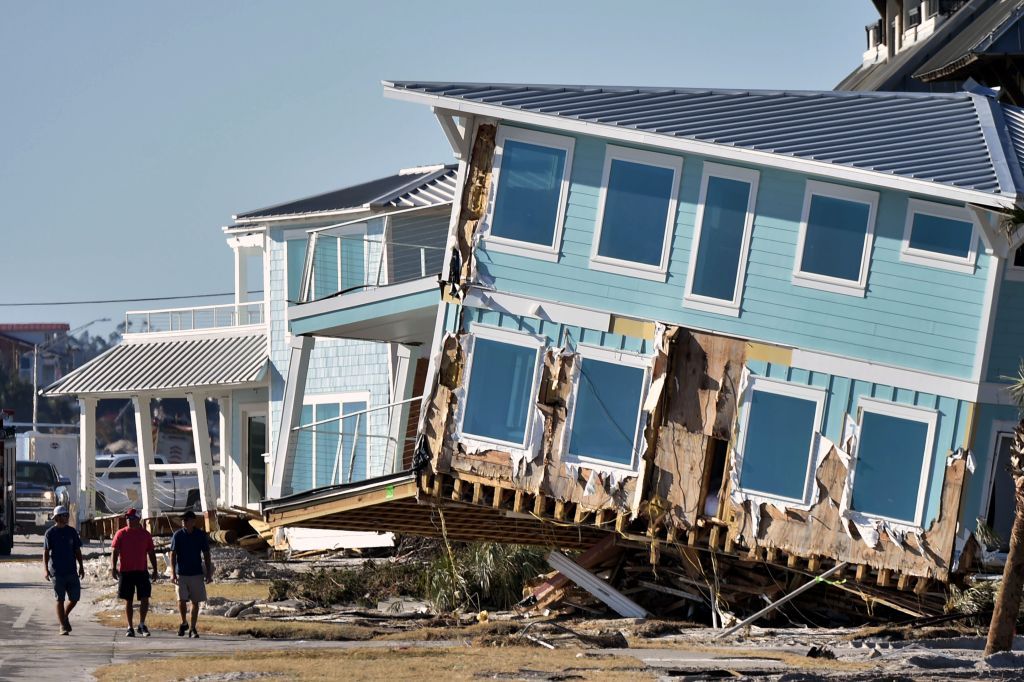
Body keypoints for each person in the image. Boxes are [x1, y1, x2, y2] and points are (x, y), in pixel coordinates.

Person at [110, 508, 159, 638]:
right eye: (127, 518)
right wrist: (113, 567)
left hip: (141, 570)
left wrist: (155, 569)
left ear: (138, 519)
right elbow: (115, 551)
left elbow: (151, 552)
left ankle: (142, 624)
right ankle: (130, 626)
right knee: (128, 600)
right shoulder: (121, 533)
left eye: (131, 518)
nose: (129, 521)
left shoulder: (145, 534)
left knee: (145, 598)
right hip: (126, 572)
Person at [170, 510, 213, 638]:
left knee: (195, 601)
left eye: (186, 520)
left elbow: (206, 553)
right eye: (182, 520)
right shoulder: (177, 535)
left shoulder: (200, 535)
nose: (183, 522)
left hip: (196, 573)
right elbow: (172, 554)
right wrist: (173, 572)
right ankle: (184, 622)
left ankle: (193, 628)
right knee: (181, 599)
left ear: (193, 521)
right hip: (181, 573)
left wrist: (209, 573)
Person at [42, 505, 84, 636]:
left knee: (75, 598)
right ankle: (62, 626)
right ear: (57, 517)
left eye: (67, 515)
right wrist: (46, 570)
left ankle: (64, 616)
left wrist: (81, 566)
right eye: (64, 515)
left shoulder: (71, 532)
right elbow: (46, 552)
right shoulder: (50, 533)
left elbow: (77, 550)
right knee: (60, 599)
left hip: (71, 570)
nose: (67, 517)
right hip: (57, 571)